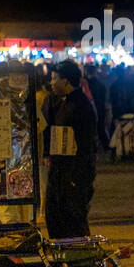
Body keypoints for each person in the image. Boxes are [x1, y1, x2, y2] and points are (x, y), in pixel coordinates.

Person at [43, 60, 99, 238]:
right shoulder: (56, 102)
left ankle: (79, 260)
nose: (51, 83)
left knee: (73, 219)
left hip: (74, 173)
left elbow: (86, 145)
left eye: (54, 79)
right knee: (54, 216)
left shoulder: (82, 106)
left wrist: (77, 176)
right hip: (58, 171)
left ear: (65, 81)